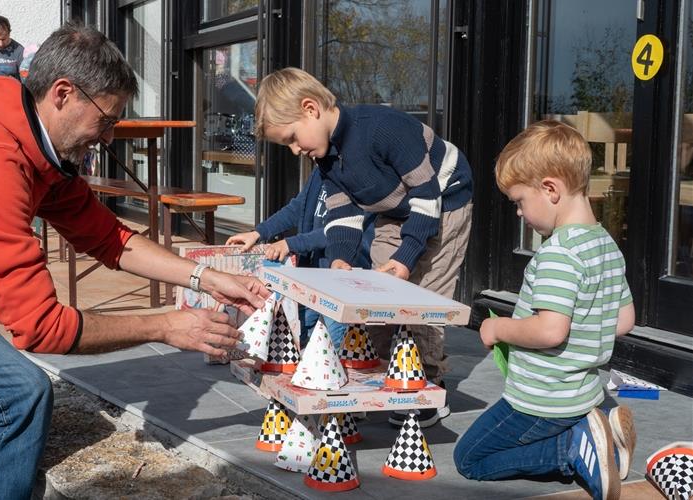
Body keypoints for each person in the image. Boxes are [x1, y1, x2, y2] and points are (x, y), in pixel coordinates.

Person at [0, 24, 268, 499]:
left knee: (21, 393)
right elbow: (40, 327)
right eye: (106, 121)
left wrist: (206, 276)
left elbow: (110, 237)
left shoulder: (41, 153)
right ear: (64, 94)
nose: (108, 137)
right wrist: (166, 326)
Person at [253, 67, 473, 427]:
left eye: (293, 138)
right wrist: (340, 259)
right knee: (379, 298)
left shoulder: (384, 128)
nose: (295, 150)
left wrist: (405, 258)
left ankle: (428, 385)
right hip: (394, 209)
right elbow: (343, 217)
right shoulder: (326, 161)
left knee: (422, 298)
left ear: (311, 109)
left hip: (444, 202)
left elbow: (426, 196)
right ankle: (386, 374)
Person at [452, 121, 637, 500]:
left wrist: (500, 328)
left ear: (550, 189)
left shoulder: (559, 254)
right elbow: (624, 320)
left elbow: (551, 330)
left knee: (470, 458)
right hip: (583, 394)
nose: (519, 213)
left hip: (543, 400)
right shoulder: (605, 245)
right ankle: (597, 441)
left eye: (519, 201)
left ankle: (573, 449)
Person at [226, 166, 374, 348]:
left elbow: (343, 232)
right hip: (310, 280)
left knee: (333, 352)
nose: (297, 149)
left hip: (340, 285)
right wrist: (258, 232)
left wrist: (291, 243)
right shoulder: (322, 169)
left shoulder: (362, 174)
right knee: (300, 341)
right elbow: (298, 208)